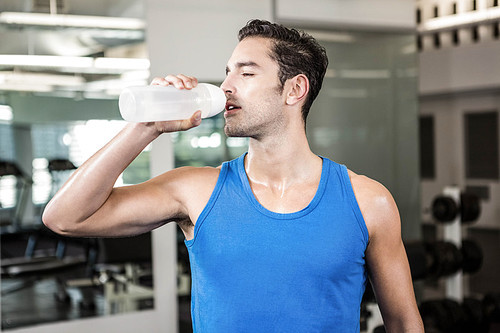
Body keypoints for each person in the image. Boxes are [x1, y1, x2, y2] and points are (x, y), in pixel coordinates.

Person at [43, 19, 424, 332]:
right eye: (227, 72)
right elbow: (64, 218)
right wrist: (145, 128)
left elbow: (404, 322)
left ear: (295, 89)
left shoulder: (368, 201)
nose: (226, 86)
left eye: (246, 72)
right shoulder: (195, 190)